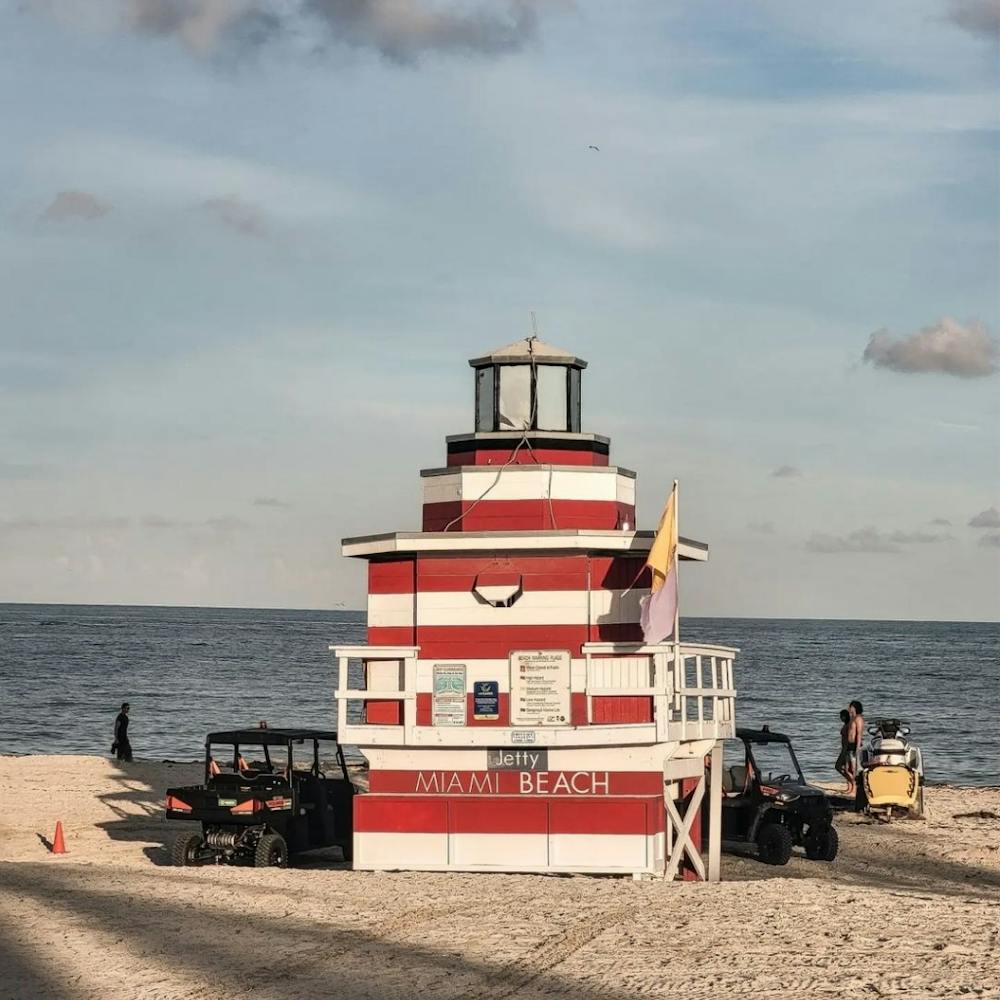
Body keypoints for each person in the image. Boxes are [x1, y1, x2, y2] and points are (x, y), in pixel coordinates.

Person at [845, 699, 865, 797]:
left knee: (854, 768)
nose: (849, 708)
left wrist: (857, 748)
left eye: (851, 707)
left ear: (855, 708)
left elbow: (859, 734)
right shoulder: (852, 718)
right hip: (849, 745)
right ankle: (851, 787)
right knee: (847, 768)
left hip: (855, 746)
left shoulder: (858, 719)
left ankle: (855, 788)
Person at [835, 708, 851, 790]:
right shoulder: (846, 725)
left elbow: (849, 738)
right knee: (845, 768)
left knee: (838, 766)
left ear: (845, 716)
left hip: (846, 749)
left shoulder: (848, 725)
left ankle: (852, 784)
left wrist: (846, 750)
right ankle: (850, 786)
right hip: (844, 749)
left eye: (842, 716)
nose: (840, 718)